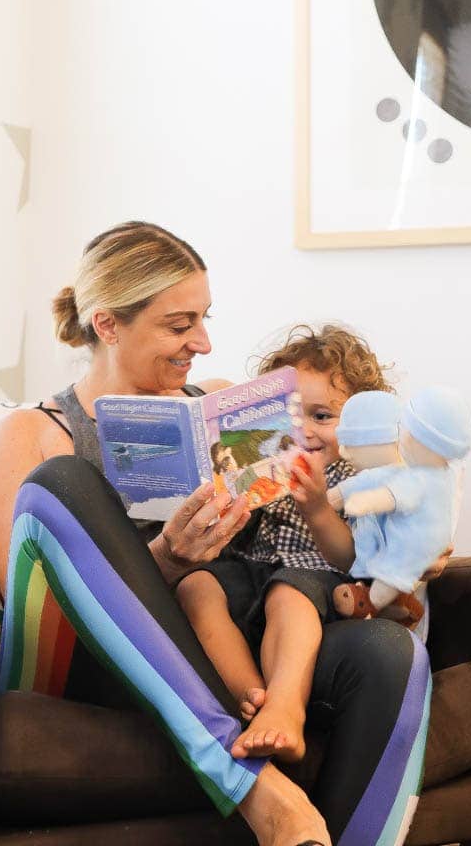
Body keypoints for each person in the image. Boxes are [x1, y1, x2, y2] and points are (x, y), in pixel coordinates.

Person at [0, 226, 431, 846]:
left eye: (204, 319)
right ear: (108, 325)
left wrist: (405, 550)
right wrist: (166, 557)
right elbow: (42, 615)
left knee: (387, 654)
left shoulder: (222, 406)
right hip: (97, 662)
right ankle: (249, 785)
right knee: (63, 483)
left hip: (227, 644)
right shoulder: (32, 432)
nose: (204, 342)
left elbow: (321, 510)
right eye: (179, 324)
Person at [175, 324, 391, 763]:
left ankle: (286, 704)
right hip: (250, 569)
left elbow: (352, 557)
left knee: (288, 591)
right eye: (289, 418)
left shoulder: (356, 477)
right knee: (194, 588)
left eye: (322, 416)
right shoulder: (261, 457)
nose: (304, 432)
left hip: (316, 580)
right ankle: (249, 695)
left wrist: (316, 507)